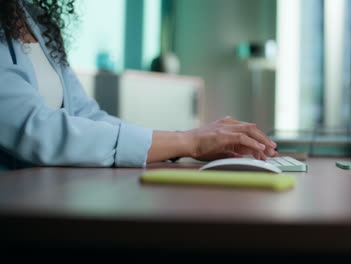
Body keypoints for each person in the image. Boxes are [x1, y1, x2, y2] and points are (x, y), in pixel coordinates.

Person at [0, 0, 278, 172]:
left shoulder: (34, 18)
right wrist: (189, 141)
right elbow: (36, 130)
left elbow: (87, 116)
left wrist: (183, 143)